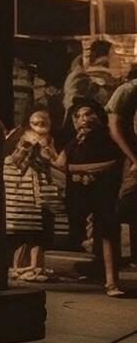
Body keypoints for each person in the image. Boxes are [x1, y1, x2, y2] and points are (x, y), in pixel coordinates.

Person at [57, 100, 129, 298]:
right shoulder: (73, 143)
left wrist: (79, 170)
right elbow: (59, 165)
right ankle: (101, 275)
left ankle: (111, 282)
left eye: (88, 114)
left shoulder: (107, 141)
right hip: (80, 195)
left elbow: (110, 164)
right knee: (91, 235)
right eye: (79, 116)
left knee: (107, 234)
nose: (83, 120)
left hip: (104, 193)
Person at [3, 109, 64, 282]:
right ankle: (19, 267)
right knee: (21, 230)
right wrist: (25, 148)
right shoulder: (24, 138)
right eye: (35, 123)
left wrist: (46, 149)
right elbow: (13, 160)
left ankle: (36, 266)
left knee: (40, 230)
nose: (39, 127)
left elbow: (56, 161)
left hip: (43, 188)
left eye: (43, 123)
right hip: (22, 189)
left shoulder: (50, 141)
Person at [107, 64, 137, 269]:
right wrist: (132, 157)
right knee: (126, 200)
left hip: (131, 154)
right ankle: (122, 255)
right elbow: (114, 126)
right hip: (126, 156)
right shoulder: (128, 90)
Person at [63, 39, 118, 110]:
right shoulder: (79, 77)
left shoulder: (81, 75)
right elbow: (72, 102)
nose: (115, 60)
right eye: (112, 55)